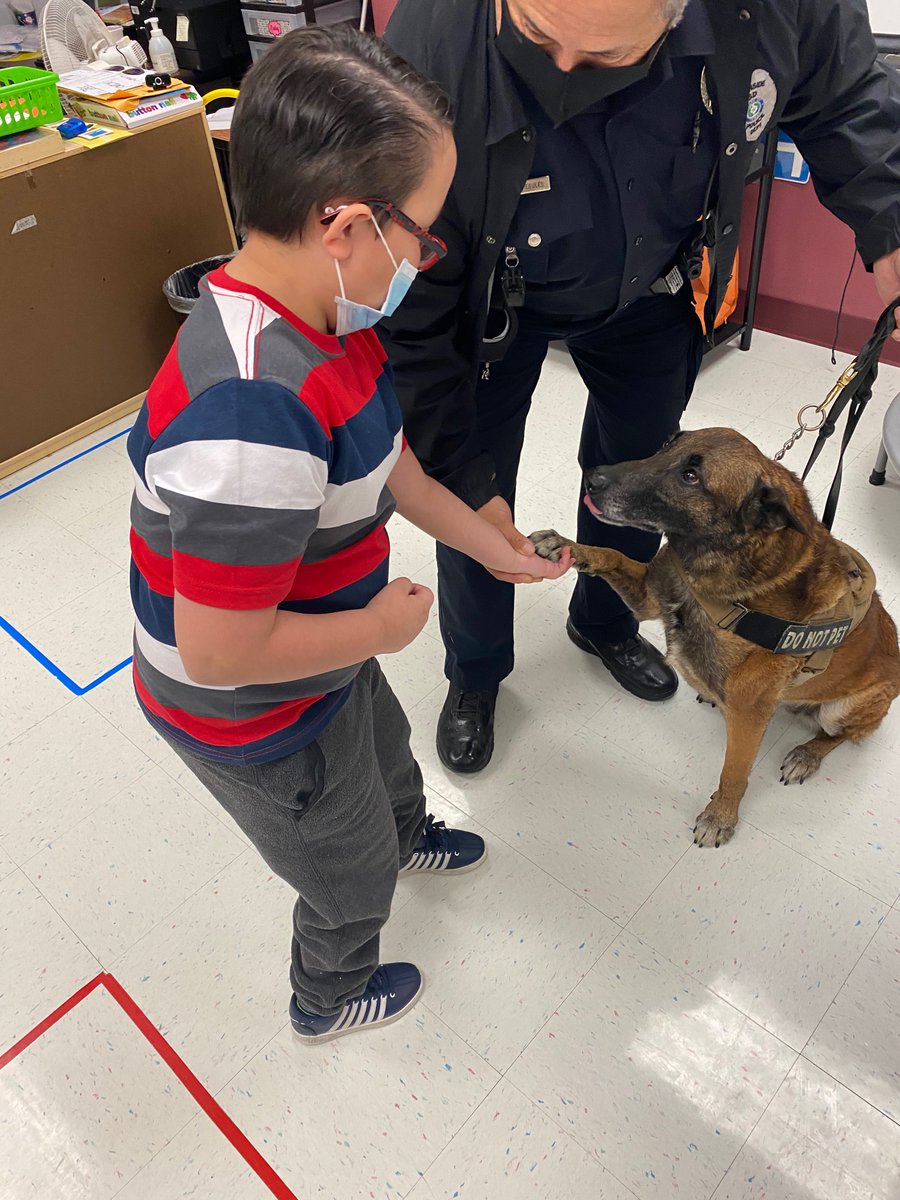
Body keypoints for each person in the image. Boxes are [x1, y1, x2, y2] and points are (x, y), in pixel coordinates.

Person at [126, 27, 568, 1044]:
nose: (427, 257)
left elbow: (394, 465)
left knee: (384, 751)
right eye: (421, 233)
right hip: (253, 711)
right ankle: (328, 993)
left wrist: (486, 542)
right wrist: (373, 629)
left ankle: (406, 827)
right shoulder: (253, 410)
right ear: (345, 225)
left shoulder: (334, 321)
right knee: (343, 865)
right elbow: (220, 648)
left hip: (321, 647)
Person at [380, 0, 900, 774]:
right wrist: (456, 480)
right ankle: (478, 672)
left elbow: (849, 97)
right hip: (485, 297)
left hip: (658, 283)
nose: (557, 73)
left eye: (600, 54)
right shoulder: (434, 36)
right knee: (474, 494)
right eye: (535, 31)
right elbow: (409, 310)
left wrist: (891, 226)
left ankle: (608, 620)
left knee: (644, 477)